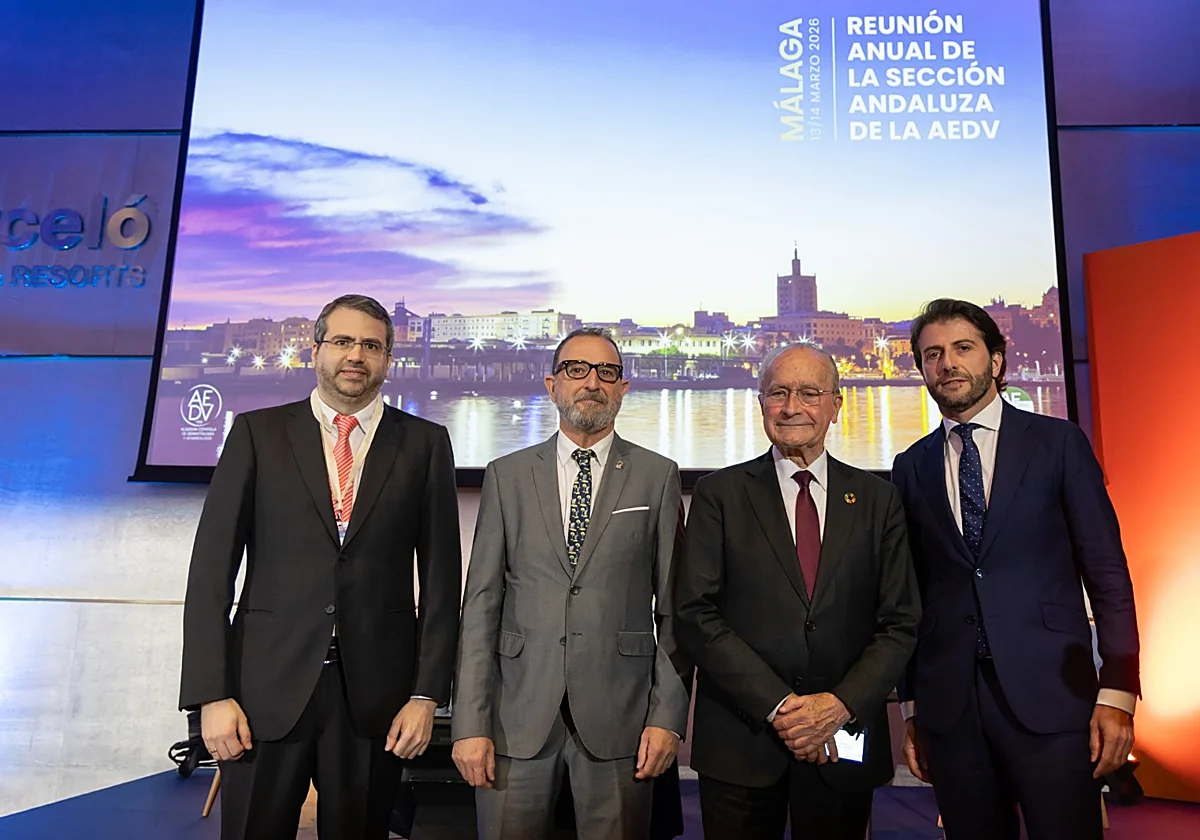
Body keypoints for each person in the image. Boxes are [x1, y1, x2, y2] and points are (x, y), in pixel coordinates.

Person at [179, 294, 463, 840]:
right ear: (316, 351)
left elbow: (442, 581)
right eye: (343, 341)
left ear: (387, 359)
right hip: (261, 691)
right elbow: (210, 574)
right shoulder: (257, 434)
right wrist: (210, 696)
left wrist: (427, 696)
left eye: (371, 345)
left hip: (375, 697)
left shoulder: (426, 444)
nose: (356, 355)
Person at [891, 298, 1140, 840]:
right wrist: (912, 706)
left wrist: (1118, 689)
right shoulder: (909, 466)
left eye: (963, 348)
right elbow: (910, 598)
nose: (948, 364)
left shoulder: (1059, 444)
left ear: (996, 360)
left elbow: (1107, 574)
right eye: (933, 354)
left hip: (1054, 696)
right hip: (950, 709)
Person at [451, 327, 691, 840]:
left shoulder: (657, 476)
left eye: (607, 373)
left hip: (620, 720)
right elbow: (481, 608)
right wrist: (469, 724)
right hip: (516, 718)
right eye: (576, 370)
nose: (591, 383)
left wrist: (667, 716)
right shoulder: (506, 475)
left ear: (623, 389)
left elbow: (675, 610)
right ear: (552, 384)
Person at [674, 344, 920, 840]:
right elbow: (696, 613)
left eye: (809, 393)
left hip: (843, 734)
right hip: (743, 740)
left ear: (836, 405)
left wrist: (837, 706)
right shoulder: (718, 494)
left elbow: (900, 621)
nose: (792, 407)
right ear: (760, 403)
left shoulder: (878, 499)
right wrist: (783, 707)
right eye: (778, 393)